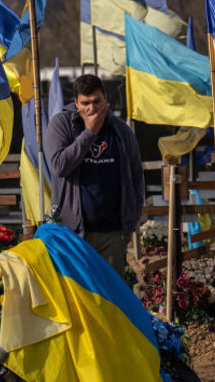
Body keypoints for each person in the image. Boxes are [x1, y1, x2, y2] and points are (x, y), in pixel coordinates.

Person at [45, 74, 144, 276]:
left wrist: (132, 220)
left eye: (97, 102)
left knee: (111, 296)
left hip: (112, 231)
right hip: (73, 232)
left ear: (105, 99)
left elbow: (136, 177)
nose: (91, 109)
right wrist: (90, 133)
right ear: (76, 103)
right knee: (78, 296)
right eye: (85, 103)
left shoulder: (120, 130)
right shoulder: (62, 124)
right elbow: (59, 167)